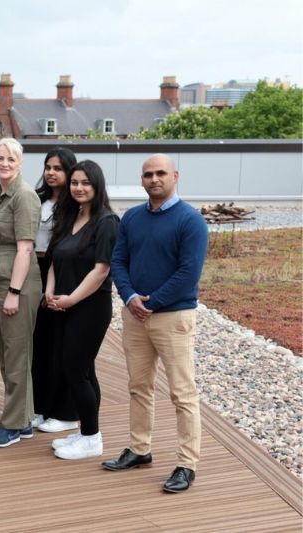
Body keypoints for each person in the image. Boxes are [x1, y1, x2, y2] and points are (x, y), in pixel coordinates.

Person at [103, 154, 207, 493]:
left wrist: (153, 302)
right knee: (139, 387)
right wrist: (131, 297)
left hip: (174, 318)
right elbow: (118, 261)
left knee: (182, 393)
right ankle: (139, 448)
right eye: (148, 174)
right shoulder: (132, 218)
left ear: (175, 176)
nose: (154, 179)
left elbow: (188, 273)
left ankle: (186, 464)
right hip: (136, 317)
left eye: (161, 173)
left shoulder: (190, 221)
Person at [45, 160, 119, 460]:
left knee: (74, 369)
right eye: (74, 182)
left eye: (85, 183)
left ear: (97, 185)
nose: (79, 188)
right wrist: (49, 291)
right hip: (62, 305)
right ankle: (88, 430)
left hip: (89, 307)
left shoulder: (107, 222)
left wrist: (70, 300)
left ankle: (92, 439)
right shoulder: (69, 216)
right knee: (82, 370)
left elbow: (101, 271)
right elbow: (55, 259)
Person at [0, 138, 41, 448]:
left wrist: (14, 292)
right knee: (8, 353)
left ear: (20, 163)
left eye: (10, 159)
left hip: (16, 281)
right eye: (0, 157)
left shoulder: (24, 196)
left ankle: (14, 425)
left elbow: (25, 248)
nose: (4, 163)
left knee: (17, 353)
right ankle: (23, 418)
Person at [32, 148, 80, 433]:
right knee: (39, 343)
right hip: (33, 268)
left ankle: (66, 411)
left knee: (60, 344)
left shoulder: (74, 204)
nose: (51, 172)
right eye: (48, 167)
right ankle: (40, 406)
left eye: (58, 168)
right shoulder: (36, 199)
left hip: (61, 271)